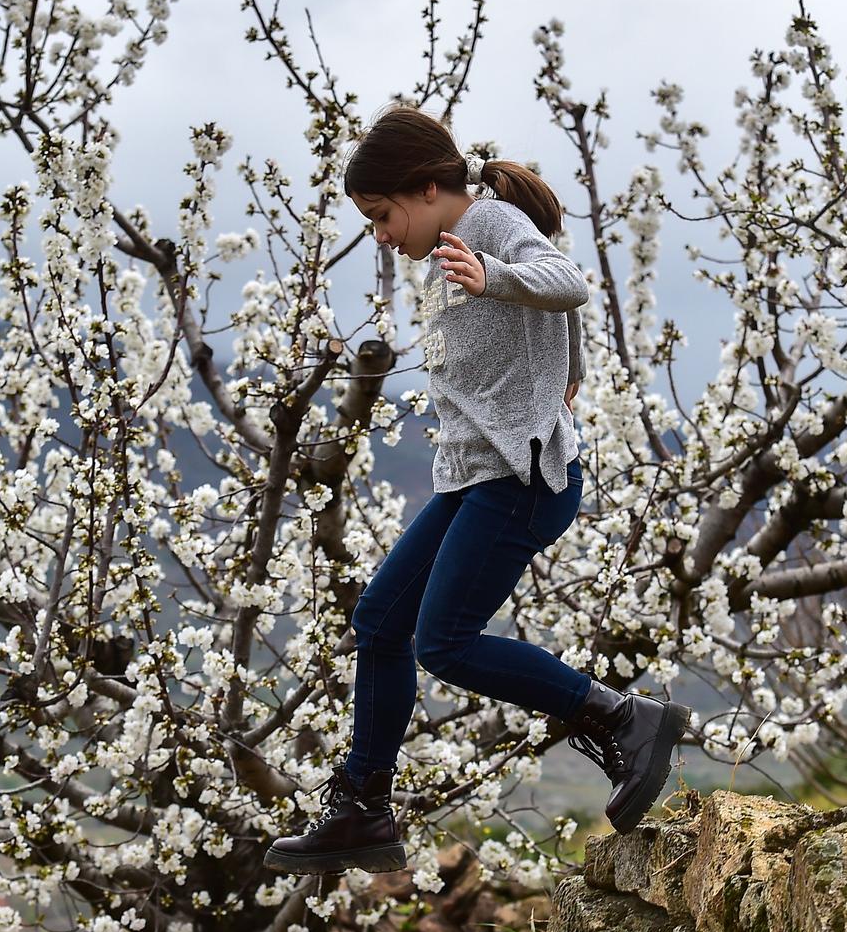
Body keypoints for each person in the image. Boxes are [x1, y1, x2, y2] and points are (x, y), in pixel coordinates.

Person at [266, 105, 691, 876]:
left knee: (443, 641)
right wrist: (565, 377)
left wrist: (498, 280)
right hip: (471, 478)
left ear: (427, 188)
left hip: (520, 478)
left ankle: (626, 719)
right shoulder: (444, 261)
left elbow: (565, 282)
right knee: (380, 619)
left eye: (382, 215)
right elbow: (554, 332)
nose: (381, 236)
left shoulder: (489, 226)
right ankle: (364, 804)